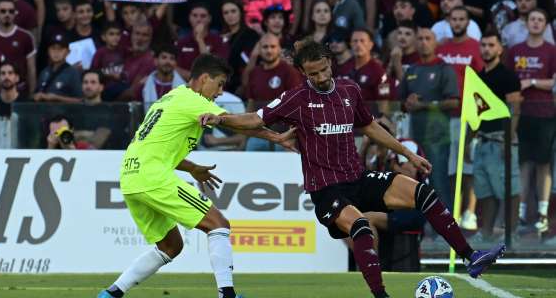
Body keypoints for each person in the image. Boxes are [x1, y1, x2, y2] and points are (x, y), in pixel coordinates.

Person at [199, 41, 506, 298]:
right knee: (360, 228)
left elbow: (370, 126)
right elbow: (256, 119)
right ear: (303, 73)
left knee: (423, 193)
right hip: (326, 190)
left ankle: (472, 257)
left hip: (358, 178)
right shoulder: (296, 99)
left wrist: (407, 155)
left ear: (330, 63)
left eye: (323, 70)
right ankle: (381, 296)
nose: (320, 77)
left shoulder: (349, 89)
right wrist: (220, 118)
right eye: (312, 73)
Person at [97, 54, 294, 298]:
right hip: (152, 177)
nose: (220, 92)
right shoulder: (192, 99)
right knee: (218, 224)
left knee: (170, 246)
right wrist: (275, 136)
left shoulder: (169, 98)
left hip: (131, 177)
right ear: (203, 79)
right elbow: (236, 122)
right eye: (219, 83)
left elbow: (156, 147)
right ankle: (227, 295)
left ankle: (111, 294)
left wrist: (191, 167)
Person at [506, 8, 556, 233]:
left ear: (545, 25)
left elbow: (554, 82)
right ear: (527, 23)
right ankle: (521, 213)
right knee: (523, 164)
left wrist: (532, 81)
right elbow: (508, 82)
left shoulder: (552, 50)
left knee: (544, 165)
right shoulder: (515, 50)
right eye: (533, 19)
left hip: (545, 114)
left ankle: (543, 214)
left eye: (540, 20)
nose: (536, 23)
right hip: (519, 114)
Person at [436, 5, 484, 231]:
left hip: (467, 116)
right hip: (442, 118)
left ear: (468, 22)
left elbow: (482, 83)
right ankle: (452, 212)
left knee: (468, 167)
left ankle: (469, 212)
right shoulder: (441, 49)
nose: (457, 23)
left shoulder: (476, 47)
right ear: (448, 22)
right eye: (453, 19)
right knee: (449, 169)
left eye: (461, 19)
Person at [400, 28, 459, 210]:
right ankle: (420, 227)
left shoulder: (444, 69)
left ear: (435, 43)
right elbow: (401, 102)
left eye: (428, 38)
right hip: (415, 137)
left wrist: (424, 105)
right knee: (415, 182)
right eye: (420, 39)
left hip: (438, 137)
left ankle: (447, 227)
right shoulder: (411, 69)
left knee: (438, 181)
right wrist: (407, 103)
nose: (424, 42)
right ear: (415, 43)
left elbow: (453, 102)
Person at [473, 32, 522, 242]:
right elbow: (474, 112)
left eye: (491, 45)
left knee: (508, 189)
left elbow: (516, 108)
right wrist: (469, 141)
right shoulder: (478, 77)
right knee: (485, 192)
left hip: (501, 139)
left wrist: (509, 138)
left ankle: (511, 234)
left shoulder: (508, 76)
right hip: (481, 140)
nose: (486, 49)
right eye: (483, 45)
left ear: (500, 49)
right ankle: (486, 233)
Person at [0, 0, 36, 95]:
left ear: (15, 13)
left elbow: (31, 69)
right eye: (3, 11)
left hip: (19, 92)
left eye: (11, 11)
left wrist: (32, 94)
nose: (7, 14)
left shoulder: (26, 37)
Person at [34, 33, 83, 103]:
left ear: (68, 52)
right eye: (53, 48)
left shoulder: (73, 73)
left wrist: (57, 98)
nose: (56, 52)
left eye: (60, 49)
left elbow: (80, 100)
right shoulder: (44, 72)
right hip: (45, 112)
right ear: (48, 51)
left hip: (65, 112)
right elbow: (36, 93)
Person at [137, 45, 186, 111]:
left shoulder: (184, 88)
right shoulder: (143, 86)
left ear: (175, 63)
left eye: (172, 58)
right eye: (164, 57)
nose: (168, 62)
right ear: (156, 61)